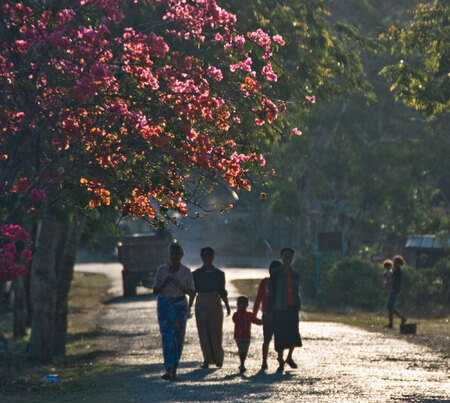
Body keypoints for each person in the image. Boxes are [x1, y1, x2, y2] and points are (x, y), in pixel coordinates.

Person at [153, 242, 195, 381]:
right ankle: (169, 368)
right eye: (172, 254)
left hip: (180, 306)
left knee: (179, 338)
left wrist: (178, 284)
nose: (175, 257)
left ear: (181, 255)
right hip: (165, 305)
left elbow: (192, 292)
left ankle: (175, 368)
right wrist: (166, 282)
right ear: (169, 255)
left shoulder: (186, 271)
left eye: (177, 254)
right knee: (167, 338)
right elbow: (155, 290)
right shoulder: (162, 270)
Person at [192, 247, 231, 369]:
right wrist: (188, 307)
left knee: (216, 331)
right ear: (201, 257)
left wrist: (227, 306)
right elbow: (193, 292)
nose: (207, 258)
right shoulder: (196, 274)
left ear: (213, 257)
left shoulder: (219, 274)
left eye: (209, 256)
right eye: (204, 256)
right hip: (201, 302)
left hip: (215, 301)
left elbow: (222, 291)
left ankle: (218, 359)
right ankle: (206, 359)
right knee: (203, 331)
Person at [267, 247, 302, 373]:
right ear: (281, 257)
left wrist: (298, 305)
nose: (288, 258)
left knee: (293, 332)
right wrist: (269, 311)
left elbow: (297, 290)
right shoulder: (276, 273)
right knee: (280, 333)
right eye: (285, 256)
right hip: (279, 308)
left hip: (292, 307)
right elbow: (271, 293)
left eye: (290, 256)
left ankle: (289, 357)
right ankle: (280, 359)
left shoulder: (295, 274)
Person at [253, 259, 282, 371]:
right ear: (269, 271)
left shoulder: (282, 284)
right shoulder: (265, 282)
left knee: (280, 339)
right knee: (266, 339)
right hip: (267, 315)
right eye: (272, 270)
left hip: (280, 315)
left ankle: (280, 360)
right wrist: (254, 315)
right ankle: (264, 362)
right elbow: (258, 298)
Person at [232, 296, 262, 373]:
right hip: (238, 336)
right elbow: (235, 320)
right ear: (237, 305)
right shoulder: (236, 315)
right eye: (240, 304)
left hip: (247, 336)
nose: (241, 306)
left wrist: (263, 321)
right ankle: (242, 364)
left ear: (247, 305)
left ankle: (242, 363)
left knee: (245, 351)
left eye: (243, 304)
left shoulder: (249, 315)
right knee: (241, 349)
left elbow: (256, 321)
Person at [386, 254, 407, 328]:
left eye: (396, 262)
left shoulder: (397, 271)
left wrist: (387, 283)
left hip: (395, 290)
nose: (394, 264)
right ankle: (391, 323)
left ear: (399, 263)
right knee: (390, 307)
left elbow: (392, 280)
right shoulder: (396, 271)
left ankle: (403, 318)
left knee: (390, 307)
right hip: (393, 290)